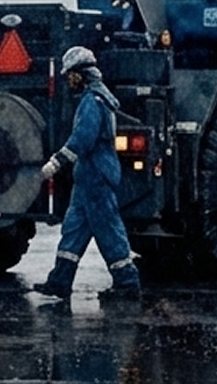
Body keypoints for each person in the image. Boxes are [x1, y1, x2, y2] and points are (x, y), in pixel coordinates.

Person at [33, 46, 141, 300]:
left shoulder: (93, 101)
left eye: (71, 74)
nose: (68, 80)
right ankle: (60, 280)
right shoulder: (93, 99)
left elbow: (83, 138)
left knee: (107, 229)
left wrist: (57, 162)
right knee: (73, 229)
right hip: (87, 179)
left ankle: (127, 283)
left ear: (83, 74)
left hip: (97, 177)